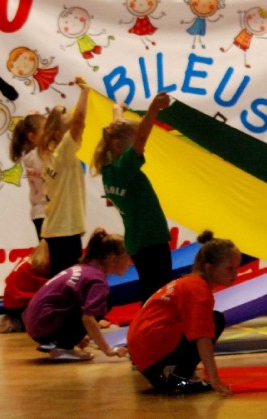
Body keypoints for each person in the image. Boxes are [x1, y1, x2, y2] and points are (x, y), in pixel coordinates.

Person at [127, 230, 239, 396]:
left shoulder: (188, 283)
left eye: (236, 268)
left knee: (206, 320)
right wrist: (214, 378)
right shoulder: (199, 291)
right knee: (216, 320)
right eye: (229, 269)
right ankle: (178, 376)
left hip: (145, 355)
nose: (235, 274)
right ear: (209, 268)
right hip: (152, 352)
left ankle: (174, 373)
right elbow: (203, 338)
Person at [92, 93, 174, 304]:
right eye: (133, 142)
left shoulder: (110, 169)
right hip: (151, 240)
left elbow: (116, 133)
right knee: (158, 293)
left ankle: (150, 320)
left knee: (150, 289)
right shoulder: (124, 169)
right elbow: (140, 138)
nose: (141, 147)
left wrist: (117, 111)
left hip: (138, 241)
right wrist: (153, 109)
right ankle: (153, 322)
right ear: (118, 145)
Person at [23, 228, 131, 362]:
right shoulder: (97, 280)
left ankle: (61, 343)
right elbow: (88, 318)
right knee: (106, 301)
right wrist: (108, 350)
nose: (129, 263)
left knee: (95, 302)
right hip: (43, 327)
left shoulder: (83, 269)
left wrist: (77, 336)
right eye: (127, 258)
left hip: (35, 324)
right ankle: (62, 348)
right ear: (113, 259)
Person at [38, 77, 90, 276]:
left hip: (59, 228)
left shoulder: (51, 155)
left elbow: (77, 122)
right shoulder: (62, 154)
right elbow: (79, 121)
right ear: (59, 134)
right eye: (65, 115)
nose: (71, 113)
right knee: (67, 282)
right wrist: (84, 92)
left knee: (62, 279)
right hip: (63, 230)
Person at [0, 240, 51, 333]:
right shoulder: (49, 260)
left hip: (11, 304)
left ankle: (17, 320)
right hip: (22, 305)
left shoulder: (35, 256)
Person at [10, 113, 47, 240]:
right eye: (46, 130)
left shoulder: (30, 156)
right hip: (45, 212)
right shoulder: (36, 157)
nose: (51, 133)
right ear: (32, 137)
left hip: (42, 212)